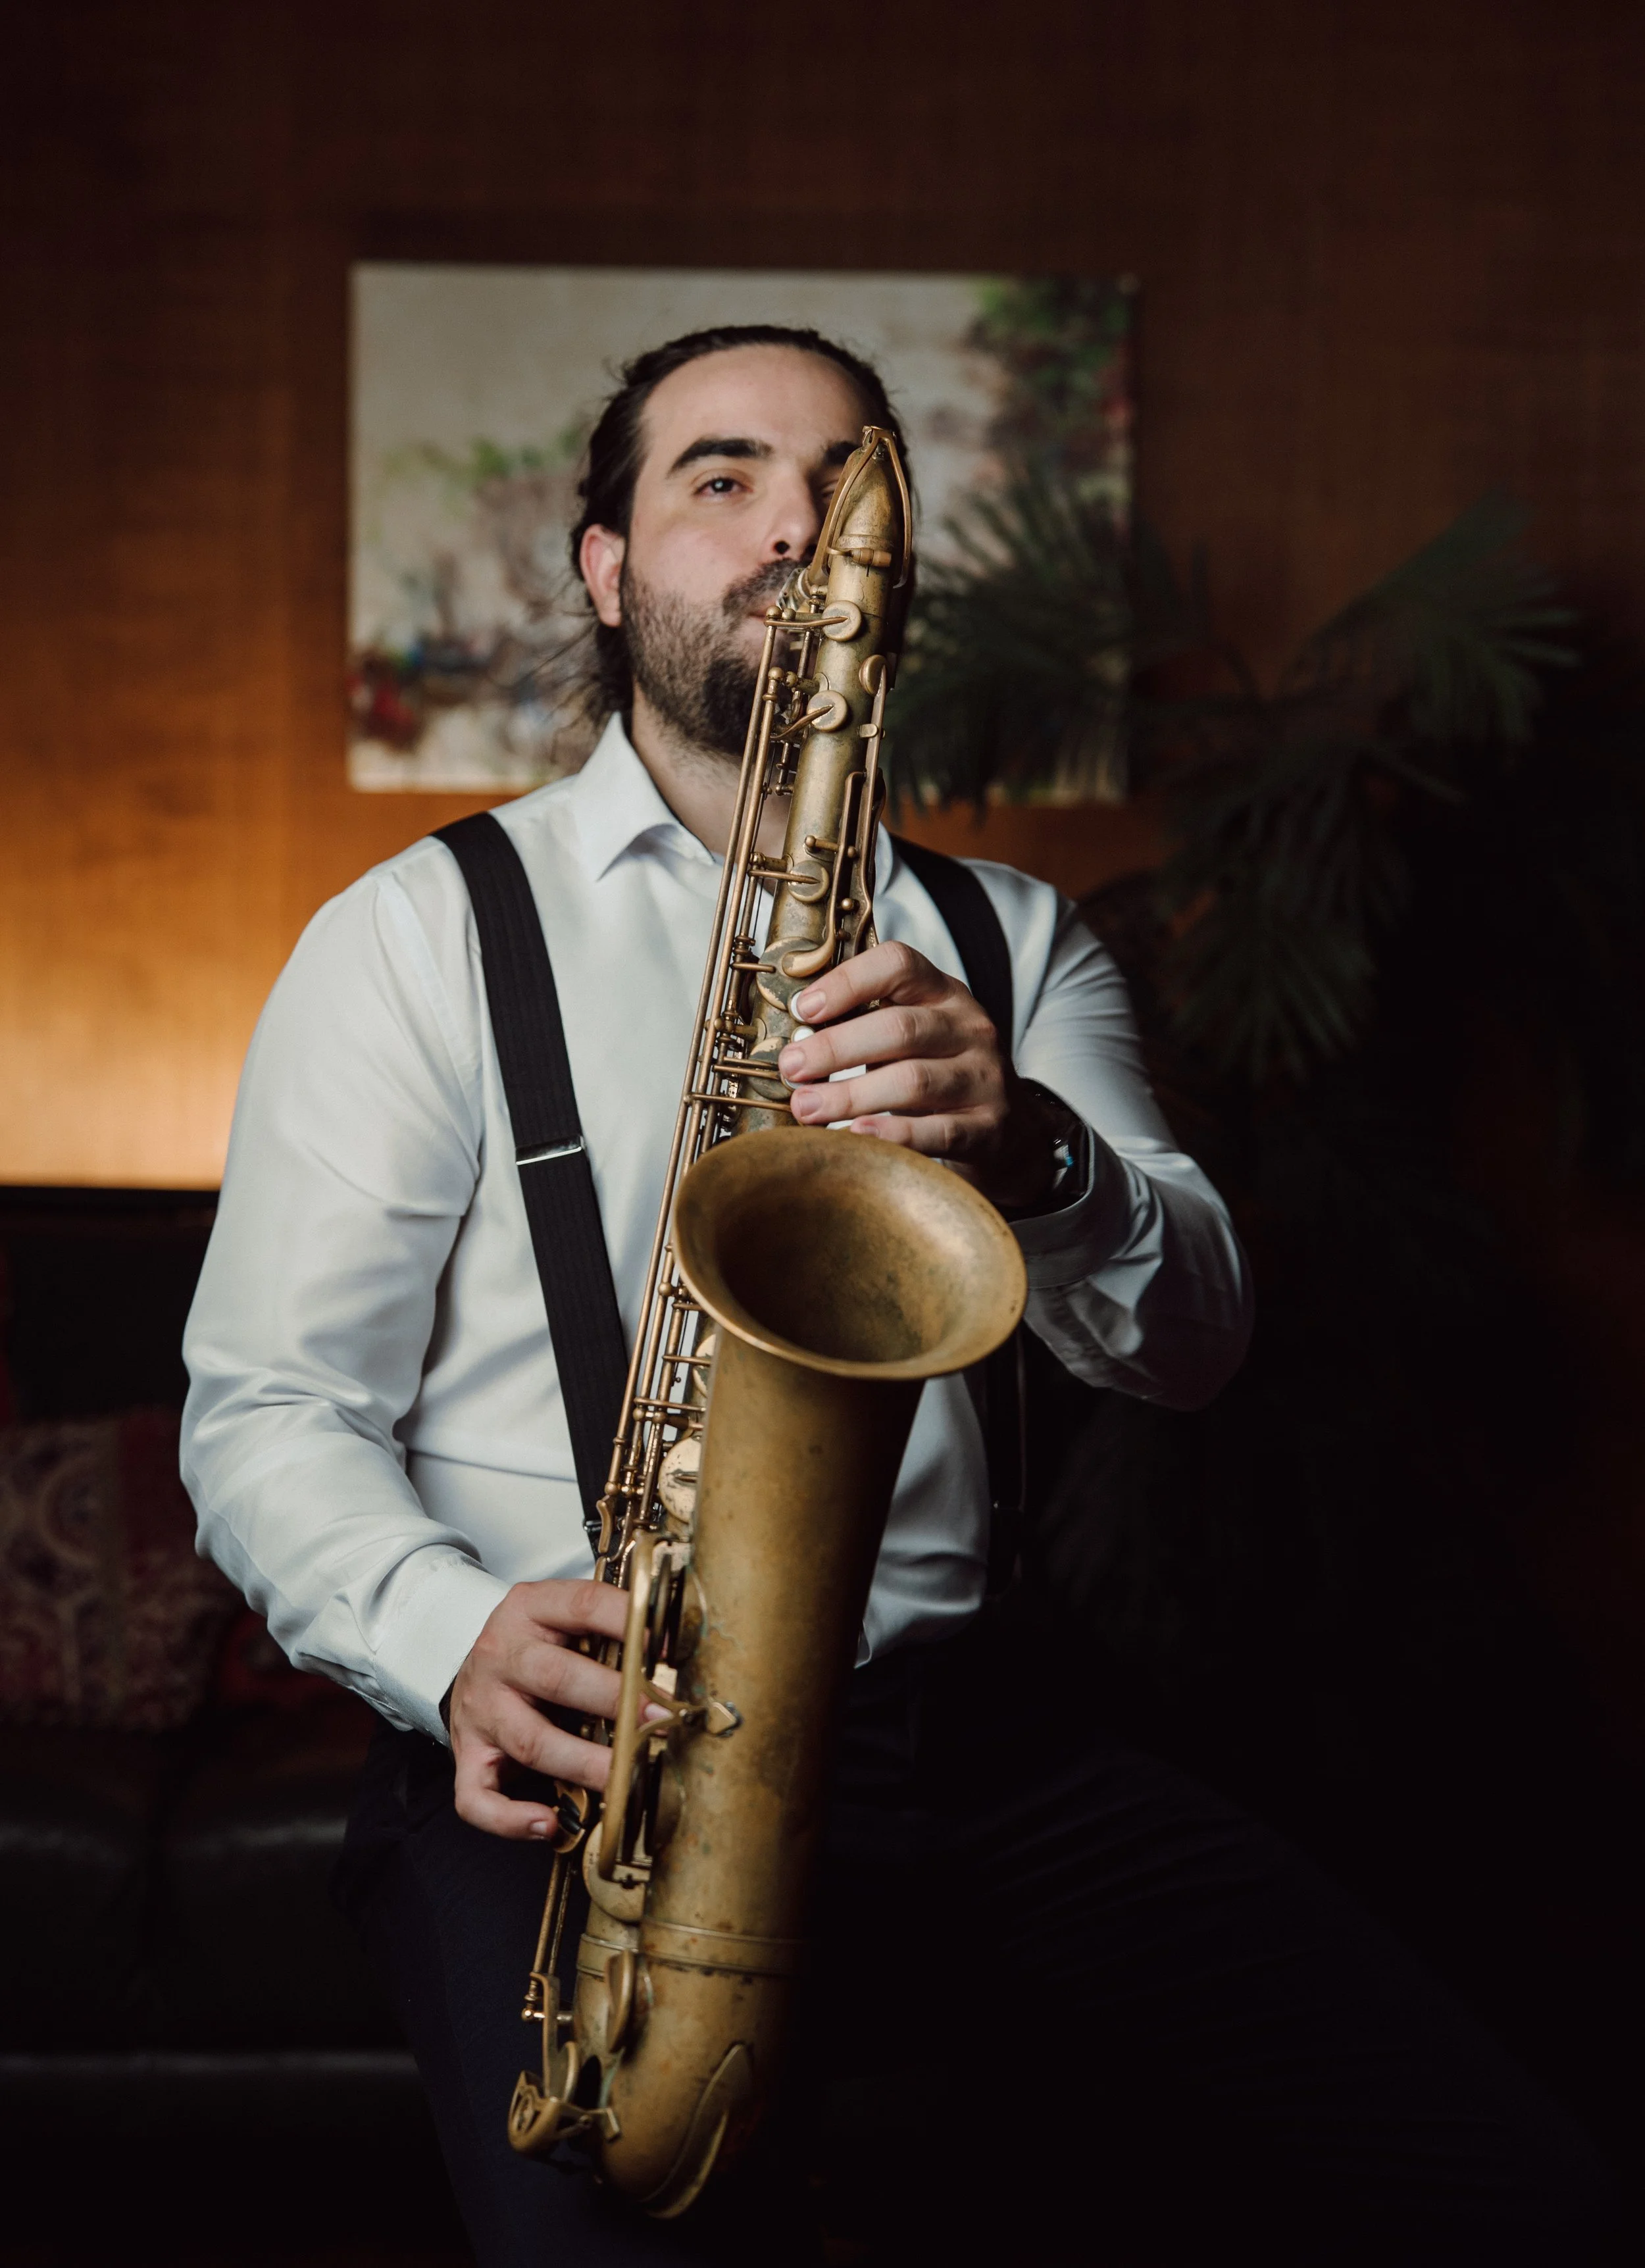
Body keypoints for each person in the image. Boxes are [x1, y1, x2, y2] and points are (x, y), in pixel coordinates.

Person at [182, 325, 1621, 2265]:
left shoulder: (1013, 942)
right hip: (570, 1763)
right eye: (722, 475)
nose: (793, 524)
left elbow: (1191, 1345)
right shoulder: (419, 937)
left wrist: (1030, 1148)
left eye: (842, 482)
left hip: (968, 1740)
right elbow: (268, 1408)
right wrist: (455, 1637)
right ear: (605, 568)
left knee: (1521, 2186)